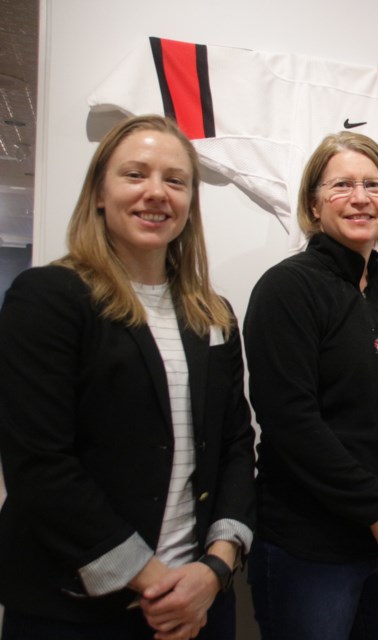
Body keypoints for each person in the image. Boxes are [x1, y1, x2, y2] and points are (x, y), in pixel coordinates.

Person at [0, 115, 256, 640]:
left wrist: (215, 568)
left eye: (175, 180)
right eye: (136, 175)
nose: (156, 193)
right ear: (99, 192)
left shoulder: (214, 315)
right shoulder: (49, 298)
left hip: (200, 603)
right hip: (77, 611)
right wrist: (157, 582)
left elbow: (235, 446)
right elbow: (40, 465)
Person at [243, 131, 378, 640]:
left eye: (374, 185)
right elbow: (292, 422)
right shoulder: (286, 289)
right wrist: (377, 512)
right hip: (310, 549)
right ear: (313, 204)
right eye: (342, 185)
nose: (360, 198)